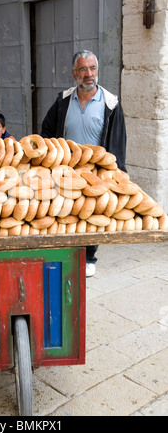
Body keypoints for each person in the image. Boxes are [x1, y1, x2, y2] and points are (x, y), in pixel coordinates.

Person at [41, 50, 127, 277]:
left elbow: (117, 143)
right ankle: (67, 252)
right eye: (83, 69)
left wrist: (116, 173)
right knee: (66, 212)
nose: (89, 74)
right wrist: (52, 156)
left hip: (94, 171)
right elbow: (47, 130)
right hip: (67, 169)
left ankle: (89, 256)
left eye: (93, 69)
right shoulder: (63, 101)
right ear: (74, 73)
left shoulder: (110, 104)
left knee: (90, 214)